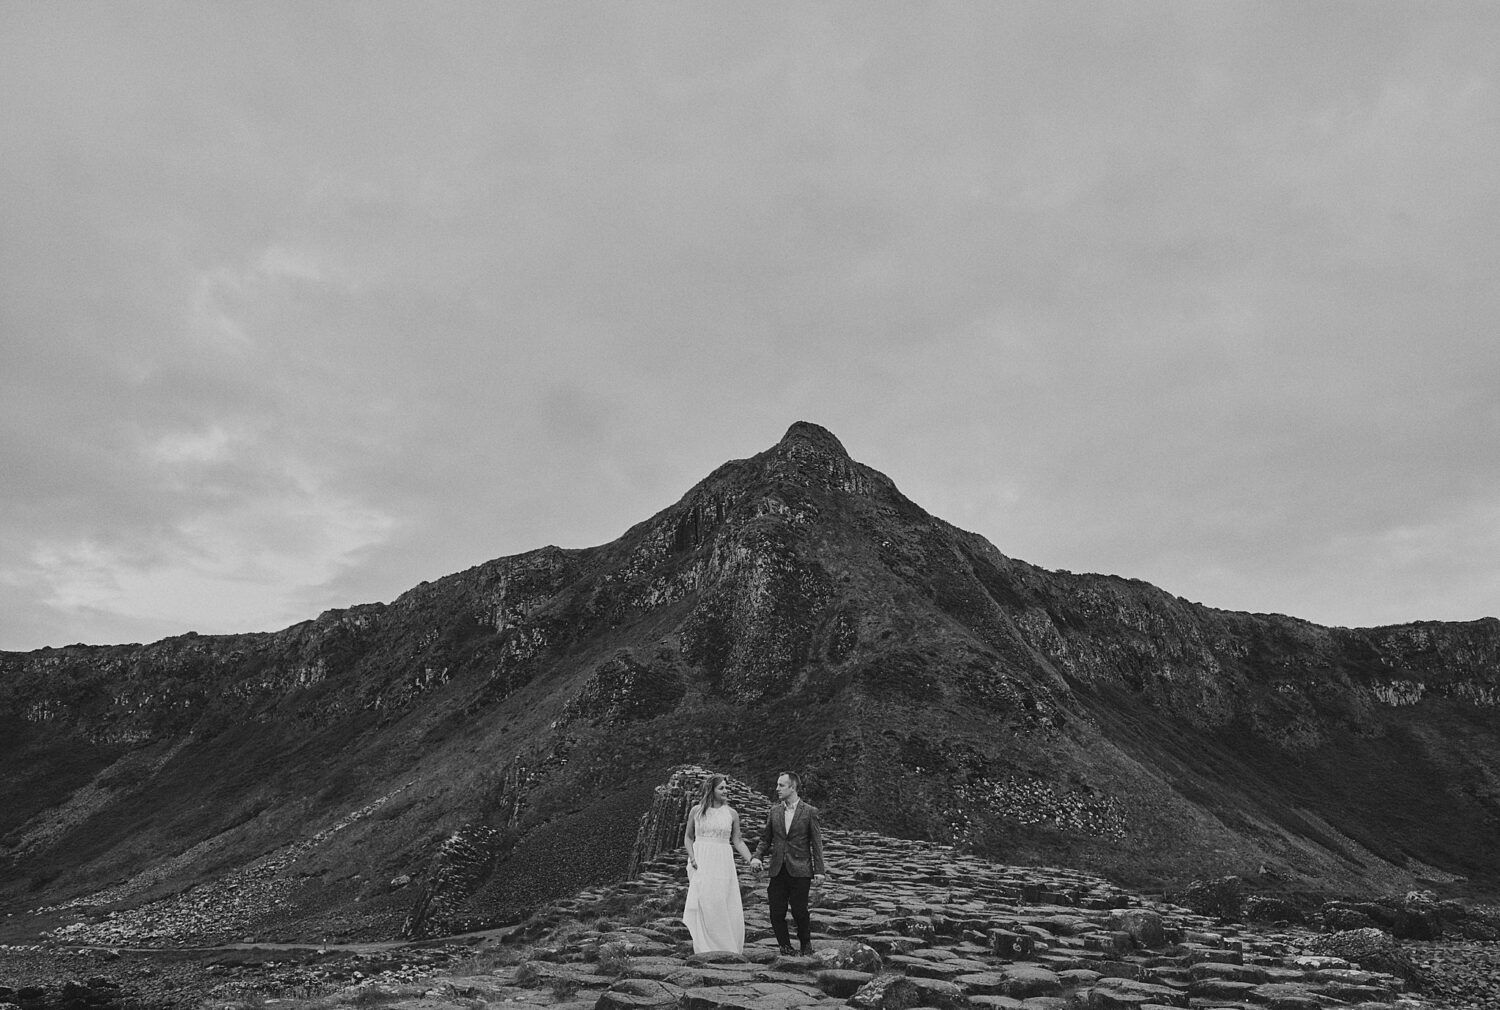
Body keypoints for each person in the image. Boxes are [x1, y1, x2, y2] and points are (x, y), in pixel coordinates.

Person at [749, 771, 826, 956]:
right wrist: (757, 856)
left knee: (800, 911)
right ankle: (785, 947)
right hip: (778, 870)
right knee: (776, 912)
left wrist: (819, 871)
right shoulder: (774, 811)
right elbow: (765, 839)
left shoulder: (809, 812)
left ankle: (805, 945)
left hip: (801, 870)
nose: (777, 789)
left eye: (781, 785)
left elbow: (817, 844)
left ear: (793, 787)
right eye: (777, 785)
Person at [682, 773, 753, 953]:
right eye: (721, 788)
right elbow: (688, 837)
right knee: (704, 900)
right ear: (711, 790)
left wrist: (751, 859)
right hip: (701, 859)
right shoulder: (696, 811)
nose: (725, 791)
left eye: (725, 787)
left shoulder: (731, 814)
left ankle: (724, 945)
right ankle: (703, 945)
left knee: (720, 900)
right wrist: (692, 857)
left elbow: (737, 840)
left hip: (722, 860)